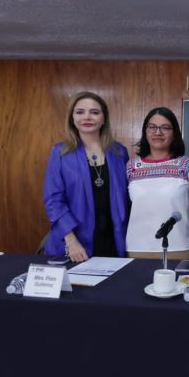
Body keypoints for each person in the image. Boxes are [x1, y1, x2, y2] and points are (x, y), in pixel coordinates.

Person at [43, 91, 129, 262]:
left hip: (113, 240)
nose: (87, 117)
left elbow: (128, 197)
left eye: (94, 112)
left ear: (104, 119)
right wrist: (71, 240)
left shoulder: (119, 152)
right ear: (72, 118)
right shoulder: (60, 152)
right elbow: (53, 201)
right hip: (76, 244)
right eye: (80, 112)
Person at [125, 107, 189, 260]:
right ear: (145, 131)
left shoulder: (187, 165)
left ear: (174, 133)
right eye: (152, 127)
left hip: (179, 246)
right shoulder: (131, 167)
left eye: (165, 128)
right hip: (138, 246)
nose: (158, 132)